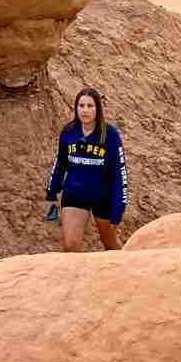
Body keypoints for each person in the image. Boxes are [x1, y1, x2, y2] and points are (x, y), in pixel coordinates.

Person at [46, 84, 127, 251]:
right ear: (76, 108)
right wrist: (52, 192)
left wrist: (118, 208)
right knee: (71, 245)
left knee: (111, 244)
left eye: (90, 106)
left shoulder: (109, 135)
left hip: (103, 196)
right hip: (75, 193)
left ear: (97, 109)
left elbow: (119, 173)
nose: (85, 110)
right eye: (81, 106)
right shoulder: (68, 132)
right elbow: (60, 163)